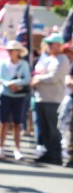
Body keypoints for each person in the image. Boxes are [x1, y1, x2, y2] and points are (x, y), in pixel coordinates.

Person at [30, 33, 70, 164]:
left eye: (51, 43)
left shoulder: (63, 59)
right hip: (41, 98)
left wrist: (37, 79)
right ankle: (49, 152)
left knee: (53, 128)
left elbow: (54, 77)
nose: (49, 46)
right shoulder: (48, 59)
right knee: (44, 128)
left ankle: (56, 155)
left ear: (59, 45)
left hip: (53, 99)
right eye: (48, 43)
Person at [0, 40, 30, 160]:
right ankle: (1, 147)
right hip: (5, 94)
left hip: (18, 96)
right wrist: (9, 85)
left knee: (17, 123)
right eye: (9, 50)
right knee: (3, 122)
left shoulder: (24, 64)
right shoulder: (3, 63)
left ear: (18, 52)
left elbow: (27, 78)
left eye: (12, 50)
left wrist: (15, 84)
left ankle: (17, 149)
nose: (10, 52)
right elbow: (0, 78)